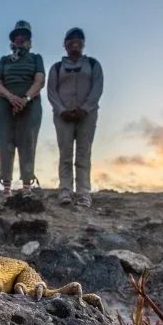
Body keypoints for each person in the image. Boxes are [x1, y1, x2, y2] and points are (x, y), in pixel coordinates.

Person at [47, 27, 104, 207]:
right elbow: (51, 92)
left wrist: (85, 108)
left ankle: (83, 193)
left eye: (78, 39)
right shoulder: (57, 68)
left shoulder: (93, 65)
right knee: (65, 154)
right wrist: (61, 109)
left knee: (83, 154)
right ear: (65, 44)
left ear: (83, 43)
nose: (74, 43)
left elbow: (97, 89)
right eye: (70, 40)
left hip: (87, 115)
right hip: (63, 116)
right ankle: (65, 191)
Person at [0, 20, 46, 196]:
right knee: (5, 142)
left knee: (28, 142)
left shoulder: (36, 58)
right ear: (12, 41)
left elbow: (39, 80)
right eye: (17, 37)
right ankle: (6, 186)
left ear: (29, 41)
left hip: (30, 106)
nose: (20, 39)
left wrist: (26, 98)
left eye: (24, 37)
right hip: (5, 105)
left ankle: (27, 186)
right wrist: (11, 97)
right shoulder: (4, 60)